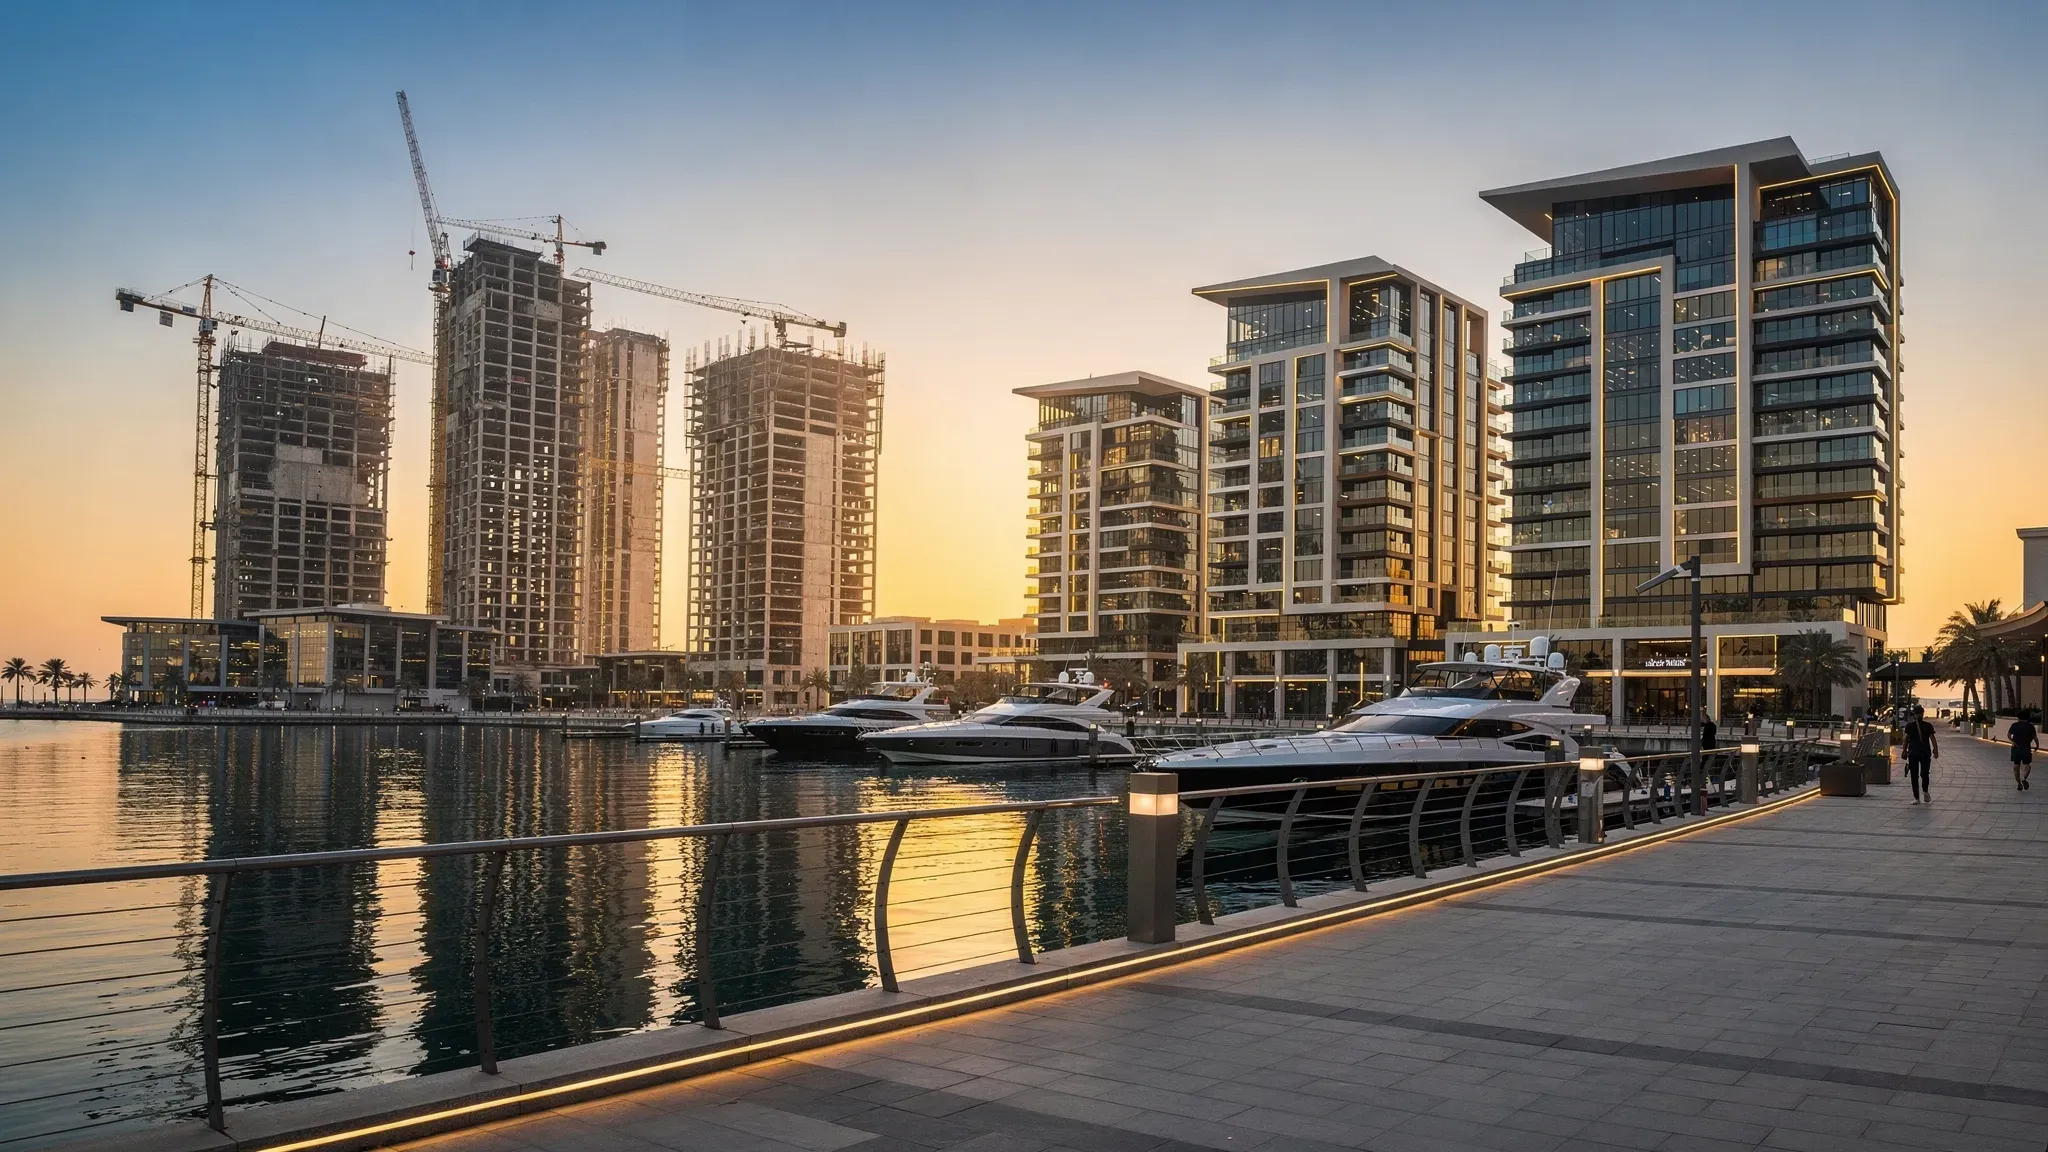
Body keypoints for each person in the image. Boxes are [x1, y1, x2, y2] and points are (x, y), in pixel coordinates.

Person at [1902, 706, 1937, 803]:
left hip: (1913, 753)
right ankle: (1925, 792)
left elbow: (1905, 739)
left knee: (1914, 775)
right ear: (1923, 713)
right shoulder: (1927, 725)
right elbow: (1932, 738)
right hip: (1925, 753)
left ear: (1914, 714)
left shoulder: (1909, 726)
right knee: (1925, 773)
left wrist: (1904, 750)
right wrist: (1935, 750)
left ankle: (1917, 798)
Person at [2009, 710, 2039, 792]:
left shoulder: (2014, 725)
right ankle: (2024, 778)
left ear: (2018, 717)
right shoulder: (2030, 726)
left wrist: (2014, 742)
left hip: (2016, 748)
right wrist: (2037, 745)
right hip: (2026, 748)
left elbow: (2009, 735)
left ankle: (2019, 783)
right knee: (2027, 764)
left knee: (2016, 765)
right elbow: (2034, 737)